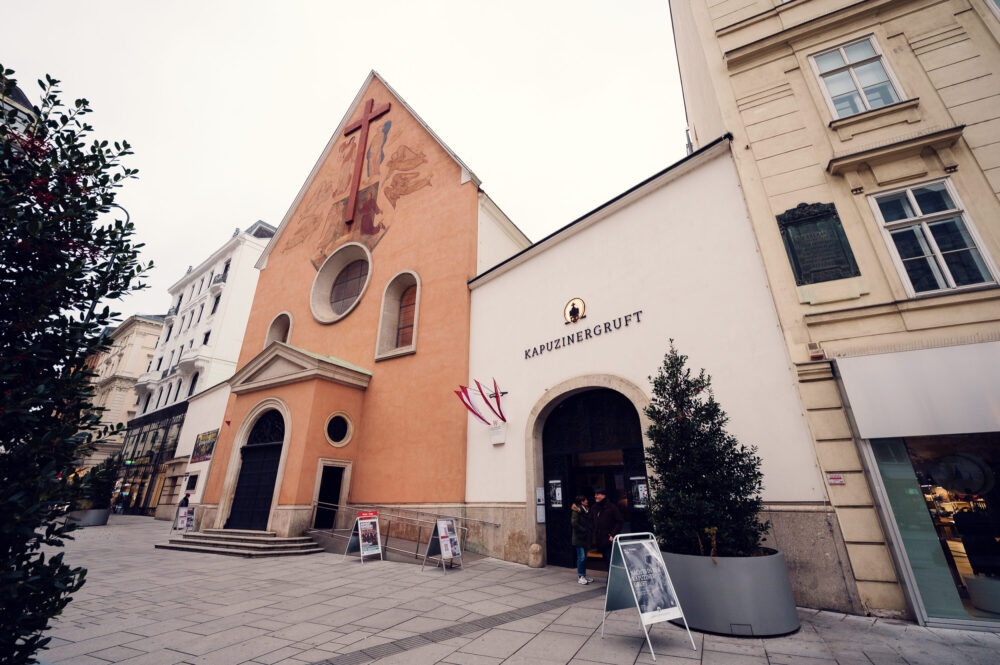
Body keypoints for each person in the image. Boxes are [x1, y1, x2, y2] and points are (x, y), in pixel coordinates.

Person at [592, 488, 623, 566]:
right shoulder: (594, 507)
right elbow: (591, 520)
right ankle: (611, 576)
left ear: (603, 495)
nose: (595, 496)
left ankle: (613, 577)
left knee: (611, 560)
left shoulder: (612, 507)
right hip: (600, 538)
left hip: (609, 538)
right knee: (606, 559)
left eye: (597, 494)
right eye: (595, 494)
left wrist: (613, 535)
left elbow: (619, 522)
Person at [570, 495, 594, 585]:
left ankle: (584, 575)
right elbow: (574, 523)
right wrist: (583, 530)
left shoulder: (586, 509)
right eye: (585, 500)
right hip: (579, 538)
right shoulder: (577, 510)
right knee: (581, 557)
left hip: (585, 537)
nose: (587, 501)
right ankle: (580, 576)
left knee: (585, 557)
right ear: (581, 502)